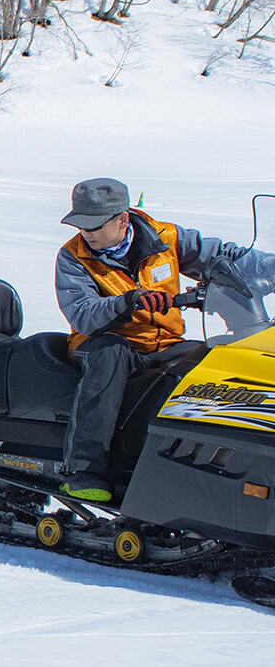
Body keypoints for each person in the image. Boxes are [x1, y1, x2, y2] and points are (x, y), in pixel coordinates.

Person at [55, 178, 273, 502]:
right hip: (103, 339)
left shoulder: (165, 238)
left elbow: (224, 257)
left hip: (164, 341)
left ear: (122, 219)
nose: (86, 232)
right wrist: (127, 302)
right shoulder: (73, 257)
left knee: (211, 363)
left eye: (94, 225)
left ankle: (187, 463)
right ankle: (84, 470)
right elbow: (82, 313)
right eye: (81, 224)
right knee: (109, 357)